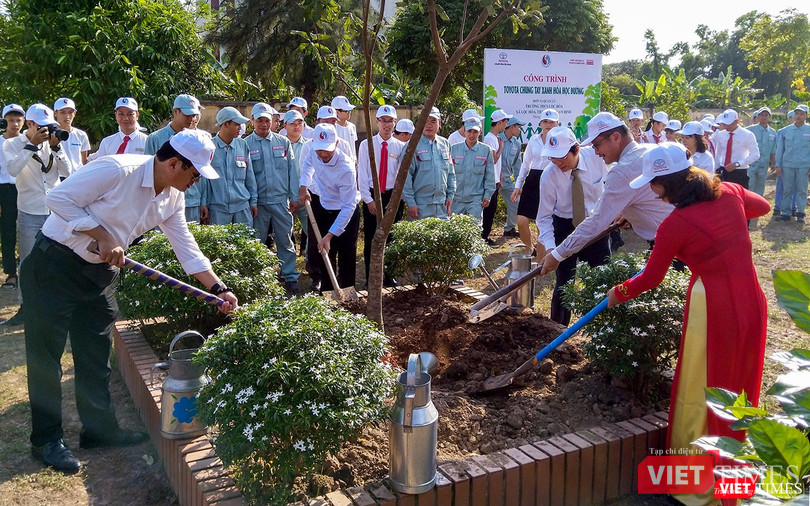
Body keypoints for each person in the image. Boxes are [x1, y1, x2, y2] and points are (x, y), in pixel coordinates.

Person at [21, 129, 237, 474]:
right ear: (174, 163)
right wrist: (101, 233)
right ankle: (46, 440)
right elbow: (58, 199)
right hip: (54, 268)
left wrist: (218, 288)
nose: (196, 181)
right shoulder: (117, 170)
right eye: (194, 173)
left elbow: (186, 248)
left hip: (99, 277)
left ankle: (99, 429)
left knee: (95, 355)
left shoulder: (172, 198)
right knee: (46, 358)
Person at [606, 142, 769, 505]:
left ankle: (700, 483)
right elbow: (764, 205)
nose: (651, 191)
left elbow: (650, 278)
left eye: (654, 184)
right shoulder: (729, 190)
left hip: (713, 308)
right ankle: (736, 476)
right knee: (741, 388)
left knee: (705, 387)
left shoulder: (675, 224)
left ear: (669, 185)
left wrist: (618, 292)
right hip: (752, 300)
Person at [540, 112, 674, 277]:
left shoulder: (622, 170)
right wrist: (629, 211)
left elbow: (597, 220)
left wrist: (557, 255)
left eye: (597, 145)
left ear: (616, 137)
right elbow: (645, 198)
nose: (595, 152)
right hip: (681, 236)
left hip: (672, 243)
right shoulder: (650, 151)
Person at [3, 104, 72, 327]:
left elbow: (69, 173)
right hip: (29, 211)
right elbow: (13, 170)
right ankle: (26, 306)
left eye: (49, 127)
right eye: (42, 128)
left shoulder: (50, 143)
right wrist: (31, 146)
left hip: (53, 211)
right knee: (28, 262)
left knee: (58, 259)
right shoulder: (12, 144)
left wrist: (57, 149)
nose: (46, 132)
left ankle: (57, 304)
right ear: (30, 125)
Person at [536, 126, 609, 325]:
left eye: (562, 157)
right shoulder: (549, 175)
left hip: (596, 225)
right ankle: (556, 331)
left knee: (602, 277)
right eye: (553, 157)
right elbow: (543, 217)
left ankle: (603, 327)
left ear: (576, 150)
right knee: (564, 283)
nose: (558, 162)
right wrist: (551, 248)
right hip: (565, 227)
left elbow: (612, 183)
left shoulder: (597, 158)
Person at [299, 123, 361, 291]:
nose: (323, 154)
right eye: (319, 149)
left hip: (345, 212)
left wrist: (330, 235)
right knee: (325, 254)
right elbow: (307, 165)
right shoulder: (314, 151)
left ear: (337, 144)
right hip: (323, 207)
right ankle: (327, 291)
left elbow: (348, 206)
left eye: (327, 149)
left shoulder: (346, 169)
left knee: (346, 254)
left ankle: (348, 292)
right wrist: (303, 186)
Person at [246, 102, 300, 292]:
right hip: (258, 204)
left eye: (267, 121)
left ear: (273, 121)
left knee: (285, 240)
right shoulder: (245, 145)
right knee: (258, 241)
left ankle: (290, 276)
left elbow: (292, 172)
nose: (263, 124)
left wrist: (294, 197)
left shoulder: (283, 142)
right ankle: (260, 277)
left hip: (280, 201)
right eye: (259, 120)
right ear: (252, 121)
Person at [357, 105, 405, 286]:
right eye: (383, 121)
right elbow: (362, 173)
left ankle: (389, 275)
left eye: (390, 121)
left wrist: (396, 200)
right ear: (376, 122)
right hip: (372, 195)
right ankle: (371, 278)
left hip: (393, 197)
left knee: (392, 237)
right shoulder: (366, 144)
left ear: (395, 123)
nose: (386, 125)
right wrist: (368, 200)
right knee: (372, 238)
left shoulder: (400, 147)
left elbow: (402, 175)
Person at [145, 94, 205, 223]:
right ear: (175, 111)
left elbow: (202, 174)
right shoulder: (155, 138)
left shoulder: (200, 140)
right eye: (187, 115)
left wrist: (203, 202)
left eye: (193, 115)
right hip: (162, 202)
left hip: (191, 202)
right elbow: (147, 173)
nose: (191, 119)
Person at [201, 107, 257, 226]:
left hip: (242, 208)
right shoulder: (209, 147)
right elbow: (205, 181)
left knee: (246, 243)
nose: (240, 128)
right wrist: (203, 204)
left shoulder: (243, 145)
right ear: (226, 124)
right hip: (218, 210)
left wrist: (253, 202)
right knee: (219, 244)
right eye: (237, 124)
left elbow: (250, 177)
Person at [512, 108, 558, 251]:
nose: (548, 124)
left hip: (552, 180)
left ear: (557, 123)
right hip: (533, 180)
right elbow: (526, 164)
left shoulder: (560, 139)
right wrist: (518, 185)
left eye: (551, 122)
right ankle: (529, 249)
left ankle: (541, 255)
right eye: (545, 121)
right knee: (521, 220)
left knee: (542, 222)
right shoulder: (534, 139)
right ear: (540, 123)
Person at [402, 107, 455, 219]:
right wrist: (411, 203)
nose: (429, 125)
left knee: (442, 236)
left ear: (439, 123)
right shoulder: (412, 145)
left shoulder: (445, 144)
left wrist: (450, 196)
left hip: (442, 204)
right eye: (425, 121)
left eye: (433, 121)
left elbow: (451, 173)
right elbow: (405, 177)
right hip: (420, 205)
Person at [449, 117, 495, 224]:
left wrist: (487, 195)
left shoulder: (486, 150)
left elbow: (490, 175)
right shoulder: (453, 149)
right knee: (454, 230)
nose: (472, 135)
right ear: (464, 131)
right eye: (469, 131)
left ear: (480, 132)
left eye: (475, 132)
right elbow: (448, 174)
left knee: (474, 230)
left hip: (475, 200)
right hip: (456, 200)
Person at [0, 104, 24, 293]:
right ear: (4, 121)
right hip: (4, 190)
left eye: (18, 120)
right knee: (7, 233)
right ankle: (11, 273)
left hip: (26, 188)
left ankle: (28, 271)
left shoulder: (27, 140)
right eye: (11, 120)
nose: (15, 124)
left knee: (28, 231)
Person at [774, 104, 810, 223]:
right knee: (787, 189)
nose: (799, 116)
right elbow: (780, 149)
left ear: (806, 116)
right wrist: (777, 165)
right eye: (797, 113)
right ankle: (785, 213)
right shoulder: (785, 131)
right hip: (787, 165)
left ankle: (800, 213)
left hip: (803, 166)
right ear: (794, 115)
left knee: (802, 190)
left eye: (802, 114)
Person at [283, 110, 311, 258]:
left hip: (304, 195)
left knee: (312, 231)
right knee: (285, 233)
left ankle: (312, 266)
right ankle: (287, 269)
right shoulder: (279, 144)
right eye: (292, 124)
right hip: (284, 195)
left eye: (299, 123)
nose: (296, 127)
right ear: (285, 126)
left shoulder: (309, 145)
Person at [712, 109, 760, 189]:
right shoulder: (721, 135)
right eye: (724, 123)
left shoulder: (747, 135)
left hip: (739, 172)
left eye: (728, 124)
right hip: (723, 171)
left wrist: (737, 164)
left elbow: (755, 154)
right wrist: (715, 170)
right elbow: (718, 154)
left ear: (736, 121)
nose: (725, 126)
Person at [481, 109, 509, 244]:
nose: (506, 125)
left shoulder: (495, 138)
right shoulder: (489, 139)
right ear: (499, 123)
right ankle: (483, 236)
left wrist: (500, 177)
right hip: (490, 180)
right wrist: (502, 146)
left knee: (492, 209)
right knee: (488, 209)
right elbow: (494, 159)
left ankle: (485, 235)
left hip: (495, 179)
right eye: (505, 122)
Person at [498, 115, 525, 237]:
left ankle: (509, 228)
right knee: (488, 206)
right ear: (512, 127)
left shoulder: (516, 144)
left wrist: (518, 185)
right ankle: (483, 232)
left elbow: (517, 165)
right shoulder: (497, 139)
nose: (520, 130)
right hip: (492, 180)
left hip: (507, 181)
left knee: (515, 202)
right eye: (518, 127)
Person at [53, 98, 90, 175]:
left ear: (75, 114)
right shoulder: (50, 135)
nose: (67, 116)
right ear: (55, 113)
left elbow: (83, 160)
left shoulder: (81, 135)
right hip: (58, 177)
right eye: (62, 112)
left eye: (70, 112)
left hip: (77, 176)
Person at [746, 107, 776, 198]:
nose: (763, 117)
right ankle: (748, 205)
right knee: (750, 184)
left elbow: (773, 149)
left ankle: (757, 207)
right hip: (751, 163)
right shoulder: (749, 130)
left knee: (760, 186)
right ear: (758, 117)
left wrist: (773, 163)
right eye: (761, 115)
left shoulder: (772, 132)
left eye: (766, 115)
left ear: (769, 117)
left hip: (764, 164)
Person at [331, 96, 358, 162]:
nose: (349, 112)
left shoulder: (352, 127)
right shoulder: (332, 128)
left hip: (352, 163)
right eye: (346, 111)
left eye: (349, 110)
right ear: (337, 112)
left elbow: (353, 147)